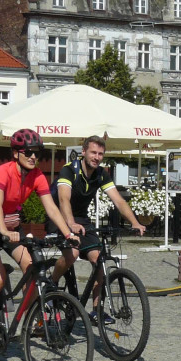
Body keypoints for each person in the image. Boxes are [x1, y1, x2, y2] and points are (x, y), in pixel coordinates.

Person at [0, 129, 75, 350]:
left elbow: (52, 209)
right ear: (16, 153)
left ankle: (27, 316)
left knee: (32, 268)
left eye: (37, 153)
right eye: (28, 152)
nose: (34, 157)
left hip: (9, 229)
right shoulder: (3, 172)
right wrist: (4, 232)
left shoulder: (37, 176)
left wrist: (68, 234)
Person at [49, 135, 146, 323]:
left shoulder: (101, 174)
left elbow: (118, 200)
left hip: (82, 220)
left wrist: (135, 222)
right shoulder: (70, 170)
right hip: (60, 216)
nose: (97, 157)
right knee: (73, 254)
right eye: (93, 152)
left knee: (99, 258)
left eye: (100, 154)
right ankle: (51, 282)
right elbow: (63, 200)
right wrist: (70, 224)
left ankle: (96, 310)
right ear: (83, 152)